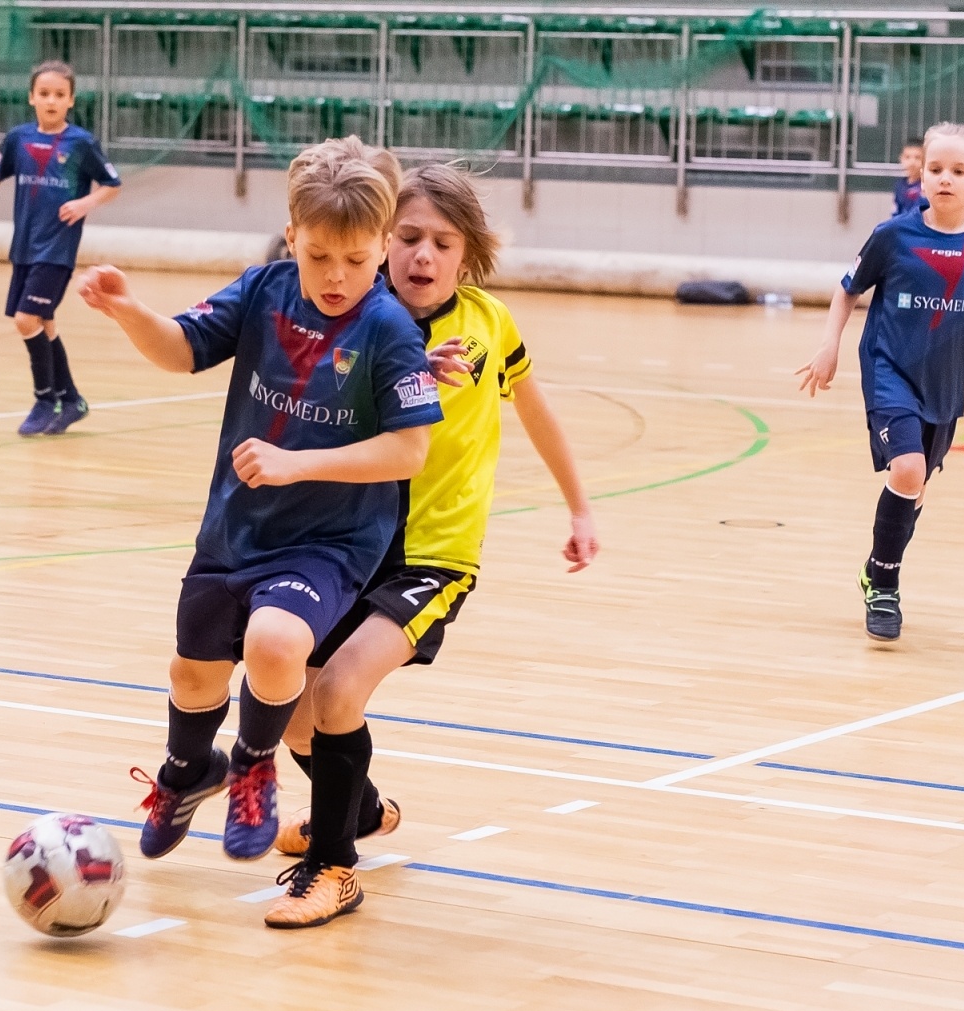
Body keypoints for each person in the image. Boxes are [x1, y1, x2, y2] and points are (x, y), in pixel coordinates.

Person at [74, 137, 444, 876]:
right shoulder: (265, 290)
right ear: (291, 234)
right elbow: (182, 350)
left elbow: (409, 452)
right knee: (191, 676)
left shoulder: (389, 331)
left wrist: (296, 462)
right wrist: (126, 310)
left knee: (275, 645)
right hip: (235, 531)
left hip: (331, 543)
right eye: (318, 257)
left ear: (380, 244)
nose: (336, 277)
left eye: (356, 259)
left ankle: (251, 764)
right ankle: (189, 771)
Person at [263, 163, 600, 930]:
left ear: (467, 252)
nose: (422, 255)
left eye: (441, 242)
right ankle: (361, 810)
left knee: (341, 690)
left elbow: (538, 416)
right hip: (347, 544)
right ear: (381, 243)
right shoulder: (356, 320)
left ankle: (335, 866)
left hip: (434, 554)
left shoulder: (489, 325)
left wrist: (579, 508)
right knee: (294, 707)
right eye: (408, 238)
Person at [797, 122, 964, 642]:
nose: (945, 178)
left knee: (915, 488)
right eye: (935, 169)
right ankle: (885, 587)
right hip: (888, 370)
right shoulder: (893, 235)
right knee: (907, 469)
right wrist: (829, 345)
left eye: (959, 171)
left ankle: (877, 565)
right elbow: (847, 289)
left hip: (942, 384)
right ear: (921, 176)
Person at [0, 60, 122, 436]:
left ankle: (44, 399)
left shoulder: (81, 143)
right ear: (31, 97)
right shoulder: (18, 138)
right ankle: (71, 400)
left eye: (59, 95)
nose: (51, 101)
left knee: (26, 320)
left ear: (71, 101)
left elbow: (113, 183)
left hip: (56, 250)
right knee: (45, 323)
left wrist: (85, 204)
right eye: (44, 93)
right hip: (24, 246)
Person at [893, 139, 924, 216]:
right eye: (907, 157)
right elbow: (896, 210)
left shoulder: (926, 186)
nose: (912, 162)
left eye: (917, 158)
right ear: (901, 159)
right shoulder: (900, 185)